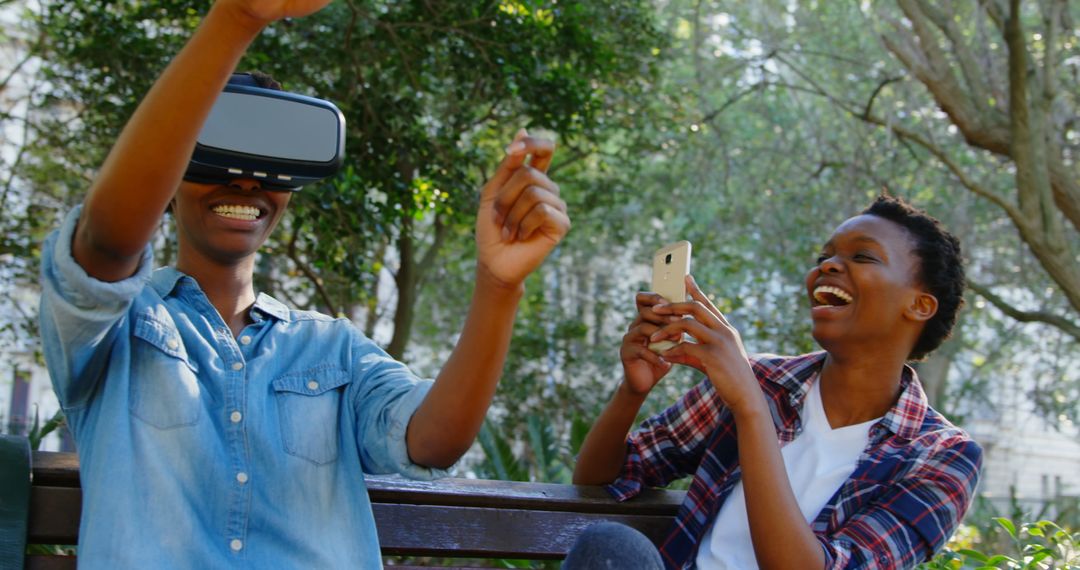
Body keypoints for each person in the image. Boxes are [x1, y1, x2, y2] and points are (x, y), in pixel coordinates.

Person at [38, 1, 569, 568]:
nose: (245, 179)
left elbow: (434, 440)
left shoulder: (334, 348)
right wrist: (237, 17)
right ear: (169, 179)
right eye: (216, 155)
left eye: (271, 161)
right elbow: (106, 245)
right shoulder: (112, 330)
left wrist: (497, 285)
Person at [569, 196, 982, 570]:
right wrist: (633, 391)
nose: (829, 266)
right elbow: (597, 482)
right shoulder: (763, 379)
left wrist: (750, 407)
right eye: (825, 256)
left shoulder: (943, 457)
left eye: (863, 257)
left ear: (920, 304)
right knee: (609, 545)